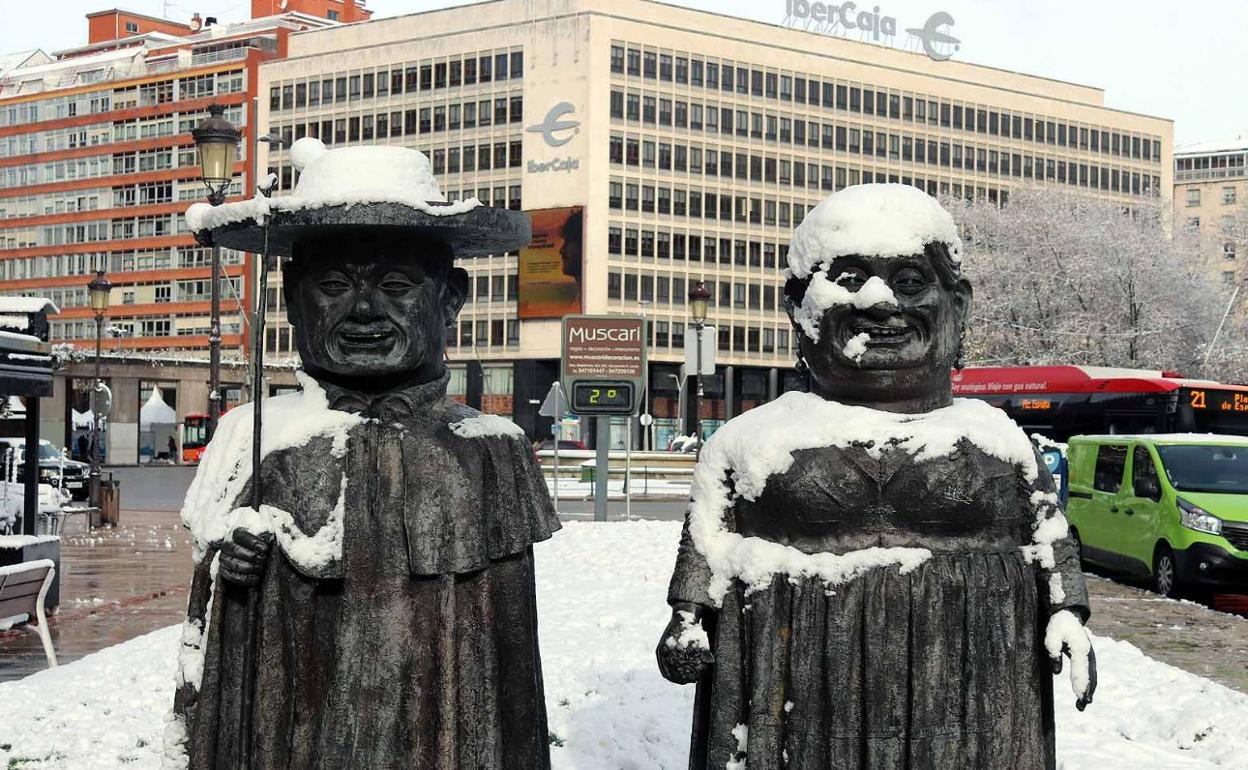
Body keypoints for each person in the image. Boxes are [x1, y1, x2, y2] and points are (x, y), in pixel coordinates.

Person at [657, 184, 1095, 770]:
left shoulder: (998, 441)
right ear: (799, 304)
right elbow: (708, 534)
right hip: (794, 690)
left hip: (969, 690)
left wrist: (1067, 609)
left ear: (956, 305)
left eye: (911, 281)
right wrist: (687, 617)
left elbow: (1048, 533)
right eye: (849, 279)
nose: (881, 301)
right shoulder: (751, 441)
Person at [170, 138, 560, 770]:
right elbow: (207, 632)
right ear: (295, 300)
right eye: (332, 285)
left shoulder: (492, 452)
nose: (366, 309)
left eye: (398, 284)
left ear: (450, 299)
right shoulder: (254, 438)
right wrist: (228, 560)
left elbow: (511, 668)